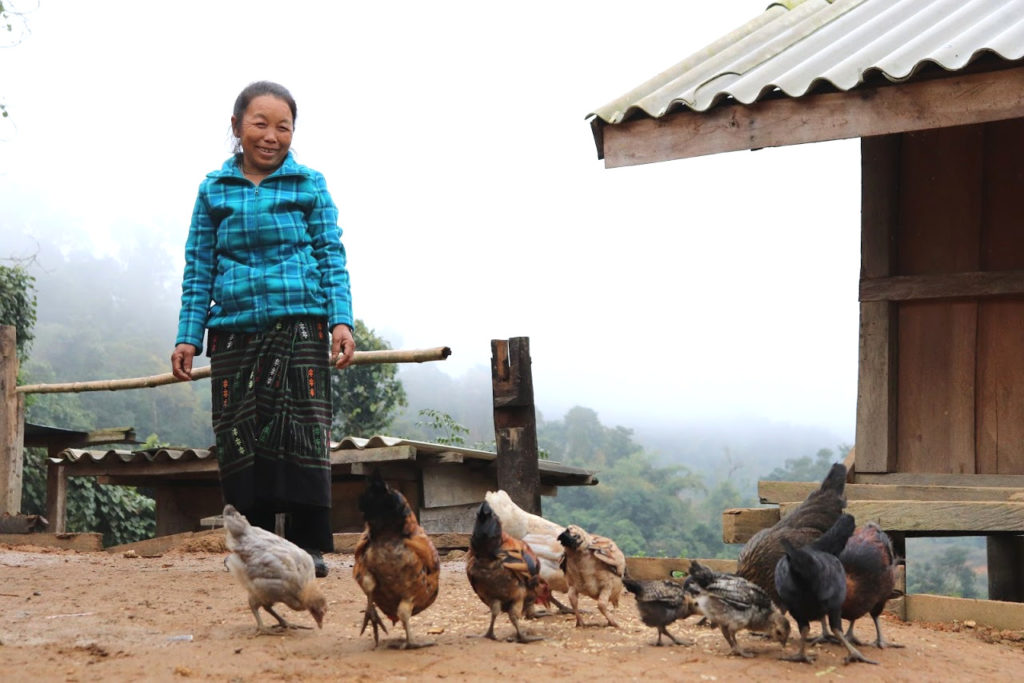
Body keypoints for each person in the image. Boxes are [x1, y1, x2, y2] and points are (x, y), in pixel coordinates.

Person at [171, 80, 354, 577]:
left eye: (283, 127)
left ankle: (307, 549)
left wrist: (340, 319)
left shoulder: (309, 184)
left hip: (300, 326)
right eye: (260, 124)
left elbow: (330, 255)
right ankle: (252, 550)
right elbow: (199, 267)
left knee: (303, 433)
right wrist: (189, 334)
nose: (271, 136)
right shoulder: (214, 189)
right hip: (234, 332)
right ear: (236, 127)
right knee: (239, 437)